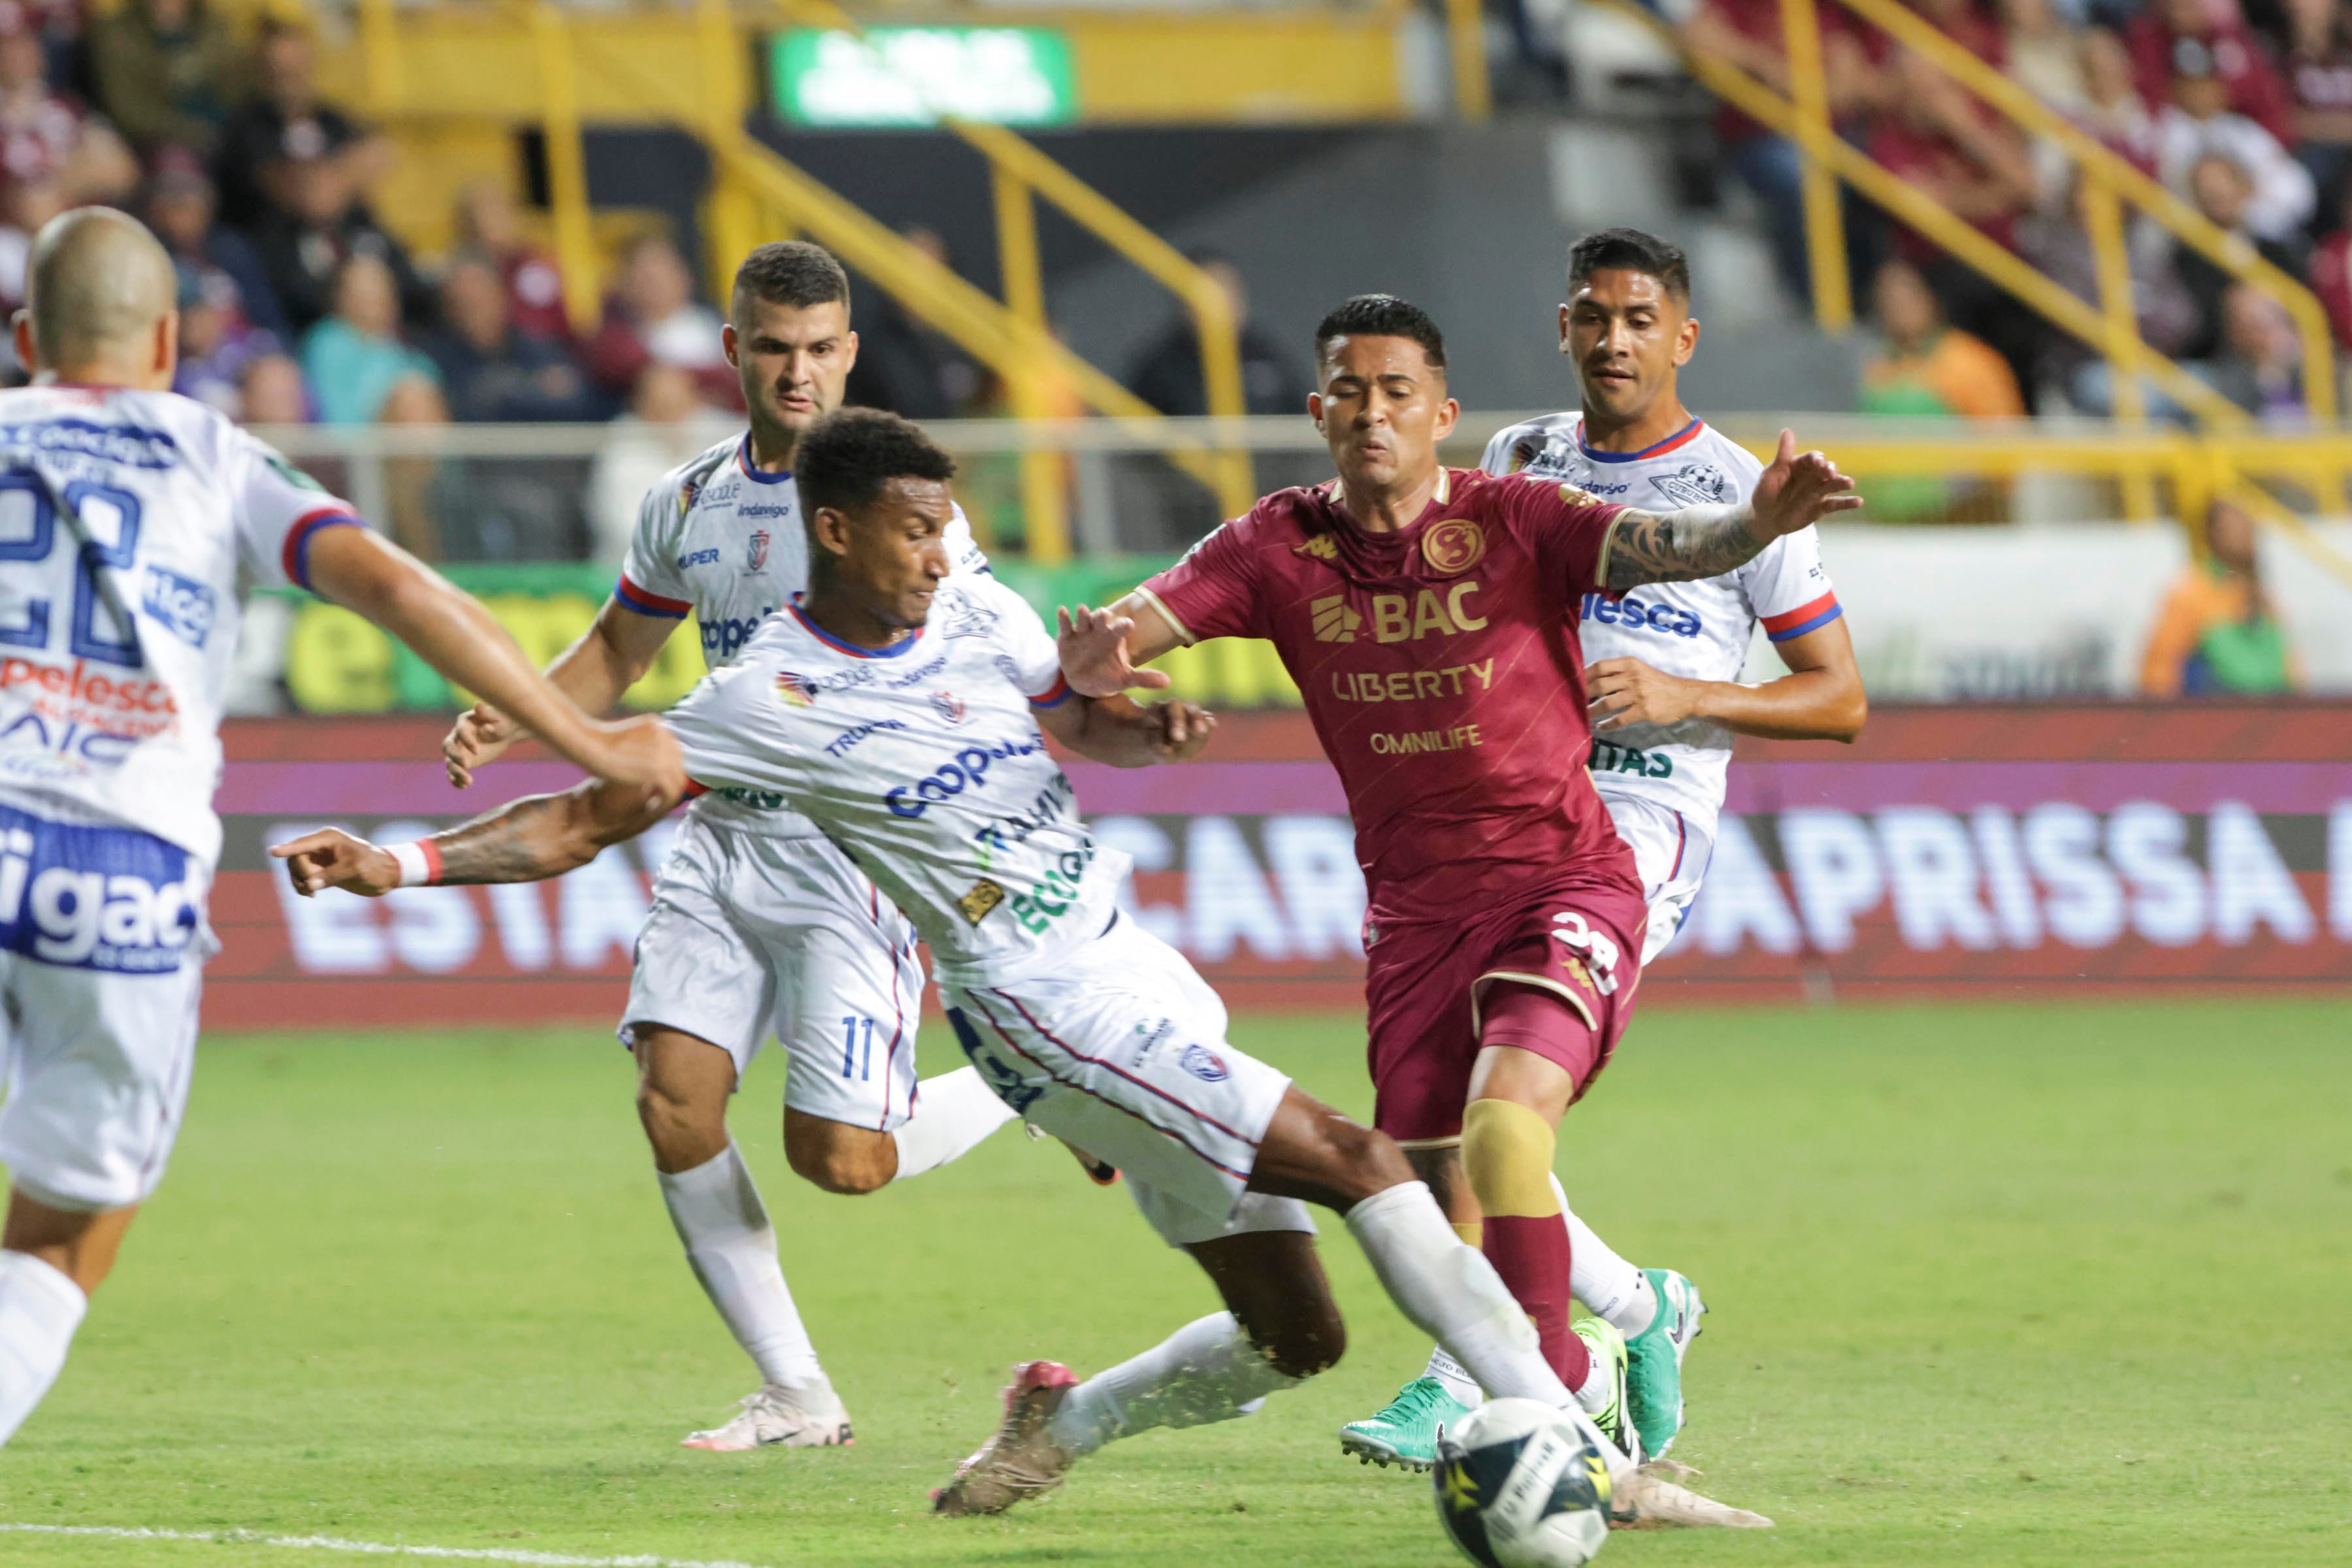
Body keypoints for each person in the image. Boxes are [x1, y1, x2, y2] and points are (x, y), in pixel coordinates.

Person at [272, 407, 1769, 1533]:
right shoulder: (763, 697)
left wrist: (1139, 722)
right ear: (841, 532)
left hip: (1134, 966)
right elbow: (581, 813)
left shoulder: (976, 610)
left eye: (952, 525)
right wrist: (398, 862)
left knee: (1295, 1334)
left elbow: (1083, 715)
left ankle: (1062, 1415)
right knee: (1373, 1160)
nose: (946, 551)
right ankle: (1575, 1447)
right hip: (1041, 1008)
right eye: (918, 530)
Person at [1054, 294, 1860, 1462]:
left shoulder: (1521, 516)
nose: (1373, 414)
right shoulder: (1272, 547)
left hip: (1565, 877)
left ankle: (1529, 1419)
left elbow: (1673, 548)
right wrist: (1096, 660)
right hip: (1415, 918)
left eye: (1397, 393)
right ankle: (1595, 1356)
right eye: (1351, 391)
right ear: (1318, 407)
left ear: (1444, 412)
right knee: (1440, 1208)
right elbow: (1121, 638)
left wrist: (1754, 523)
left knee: (1506, 1132)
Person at [0, 204, 681, 1450]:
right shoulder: (217, 458)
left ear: (26, 334)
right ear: (164, 339)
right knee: (60, 1235)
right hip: (117, 871)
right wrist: (591, 744)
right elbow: (396, 585)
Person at [436, 242, 1027, 1453]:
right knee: (675, 1102)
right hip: (722, 838)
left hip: (852, 848)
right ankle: (798, 1393)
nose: (798, 372)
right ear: (734, 351)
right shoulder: (688, 496)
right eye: (774, 348)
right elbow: (621, 647)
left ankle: (1031, 1086)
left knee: (849, 1164)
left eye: (820, 350)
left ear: (849, 352)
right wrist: (528, 712)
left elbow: (977, 647)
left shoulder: (900, 498)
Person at [1339, 231, 1867, 1472]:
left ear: (1683, 338)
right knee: (1455, 1122)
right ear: (1563, 329)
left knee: (1490, 1110)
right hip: (1499, 807)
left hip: (1639, 829)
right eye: (1593, 316)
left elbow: (1838, 696)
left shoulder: (1747, 494)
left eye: (1640, 319)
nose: (1615, 339)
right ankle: (1641, 1311)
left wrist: (1690, 697)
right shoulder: (1525, 456)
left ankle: (1471, 1376)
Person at [419, 250, 601, 424]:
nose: (474, 306)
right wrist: (532, 388)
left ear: (501, 296)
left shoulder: (539, 347)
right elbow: (463, 412)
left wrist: (498, 392)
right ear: (447, 307)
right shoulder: (433, 358)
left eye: (481, 297)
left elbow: (575, 402)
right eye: (463, 303)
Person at [2140, 497, 2301, 693]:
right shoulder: (2192, 593)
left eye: (2248, 527)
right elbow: (2160, 666)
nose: (2244, 536)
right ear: (2211, 535)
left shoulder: (2262, 595)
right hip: (2218, 715)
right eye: (2232, 528)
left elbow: (2289, 664)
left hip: (2277, 712)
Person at [1126, 252, 1306, 417]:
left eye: (1229, 289)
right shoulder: (1159, 368)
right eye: (1208, 291)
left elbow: (1301, 422)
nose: (1222, 301)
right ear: (1182, 300)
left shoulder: (1265, 354)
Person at [82, 0, 240, 159]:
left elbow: (237, 90)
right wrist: (194, 132)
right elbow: (129, 113)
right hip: (159, 144)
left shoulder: (214, 26)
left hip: (226, 137)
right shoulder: (115, 34)